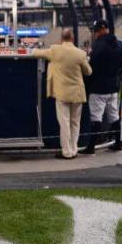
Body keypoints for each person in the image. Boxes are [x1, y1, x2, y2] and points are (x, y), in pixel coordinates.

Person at [31, 27, 92, 159]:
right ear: (73, 38)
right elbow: (88, 72)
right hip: (77, 93)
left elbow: (35, 53)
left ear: (61, 38)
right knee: (75, 123)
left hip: (62, 93)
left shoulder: (55, 50)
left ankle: (67, 151)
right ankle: (74, 149)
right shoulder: (80, 53)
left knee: (64, 123)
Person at [82, 19, 122, 154]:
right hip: (114, 86)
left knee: (96, 117)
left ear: (100, 30)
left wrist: (88, 85)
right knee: (114, 116)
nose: (94, 33)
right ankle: (118, 143)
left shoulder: (99, 45)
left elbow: (92, 68)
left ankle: (91, 147)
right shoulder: (117, 43)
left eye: (95, 30)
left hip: (99, 87)